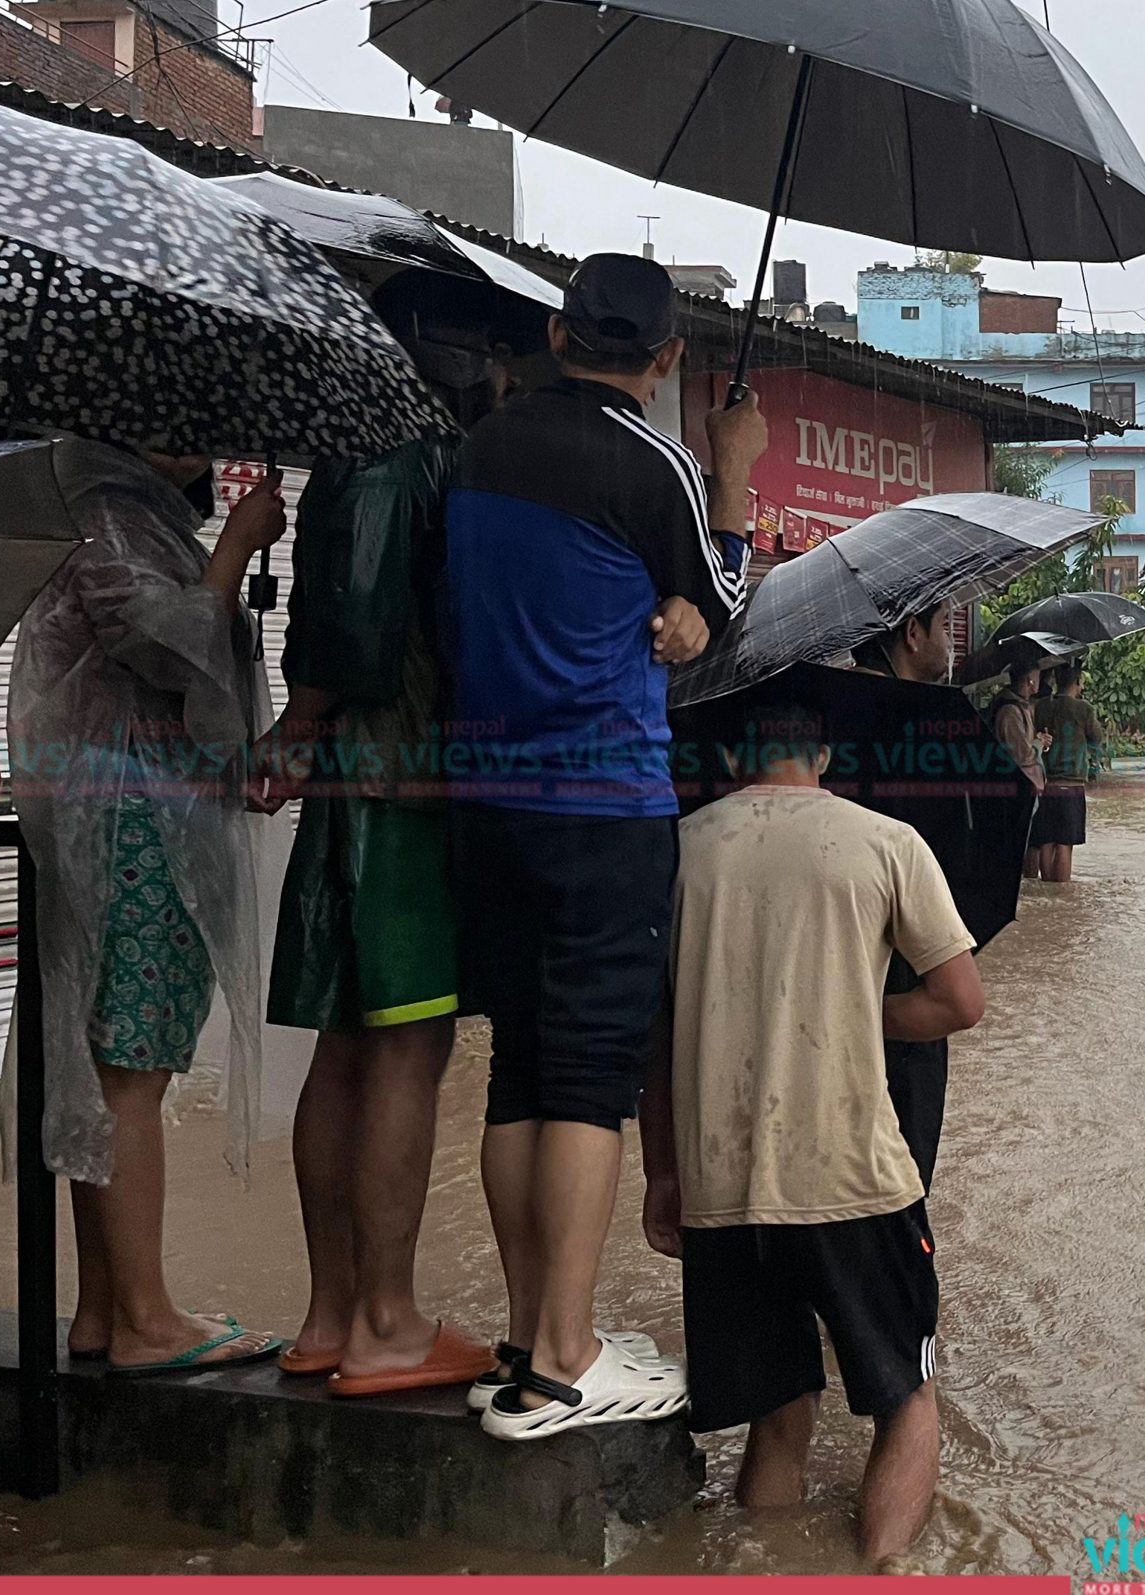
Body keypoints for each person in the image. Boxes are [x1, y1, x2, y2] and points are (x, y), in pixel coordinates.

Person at [445, 252, 766, 1439]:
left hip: (488, 801)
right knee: (588, 1079)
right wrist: (732, 476)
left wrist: (666, 609)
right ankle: (565, 1363)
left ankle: (527, 1339)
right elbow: (726, 612)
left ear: (554, 330)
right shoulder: (655, 464)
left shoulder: (479, 449)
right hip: (602, 810)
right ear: (669, 358)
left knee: (520, 1068)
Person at [639, 695, 983, 1568]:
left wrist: (664, 1175)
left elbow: (656, 1031)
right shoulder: (885, 841)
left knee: (780, 1411)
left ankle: (762, 1568)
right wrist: (863, 1011)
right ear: (821, 755)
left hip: (724, 1189)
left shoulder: (678, 849)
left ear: (736, 757)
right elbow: (959, 1000)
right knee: (907, 1393)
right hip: (854, 1179)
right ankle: (880, 1573)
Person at [251, 317, 506, 1396]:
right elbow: (355, 621)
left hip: (360, 780)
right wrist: (298, 725)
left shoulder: (355, 455)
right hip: (399, 785)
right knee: (406, 1048)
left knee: (348, 1049)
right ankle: (390, 1322)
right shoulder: (411, 455)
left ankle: (329, 1316)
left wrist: (306, 732)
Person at [9, 439, 287, 1374]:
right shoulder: (109, 516)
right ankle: (146, 1317)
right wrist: (239, 549)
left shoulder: (126, 512)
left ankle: (104, 1306)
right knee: (131, 1066)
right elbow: (165, 645)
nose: (196, 440)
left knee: (114, 1063)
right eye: (172, 421)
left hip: (127, 812)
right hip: (136, 822)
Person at [848, 602, 958, 1191]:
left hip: (825, 976)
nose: (951, 642)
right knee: (904, 1186)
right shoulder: (926, 734)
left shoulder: (826, 721)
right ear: (911, 635)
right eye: (944, 627)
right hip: (907, 980)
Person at [1027, 659, 1104, 884]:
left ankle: (1048, 893)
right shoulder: (1084, 709)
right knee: (1064, 844)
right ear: (1078, 682)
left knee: (1047, 841)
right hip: (1071, 788)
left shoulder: (1041, 706)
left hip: (1045, 784)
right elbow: (1097, 738)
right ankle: (1060, 892)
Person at [992, 662, 1049, 878]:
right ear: (1030, 681)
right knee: (1019, 844)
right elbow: (1019, 755)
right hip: (1019, 787)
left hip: (1028, 785)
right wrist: (1037, 744)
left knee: (1030, 842)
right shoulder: (1009, 711)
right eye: (1038, 676)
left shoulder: (1021, 707)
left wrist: (1038, 742)